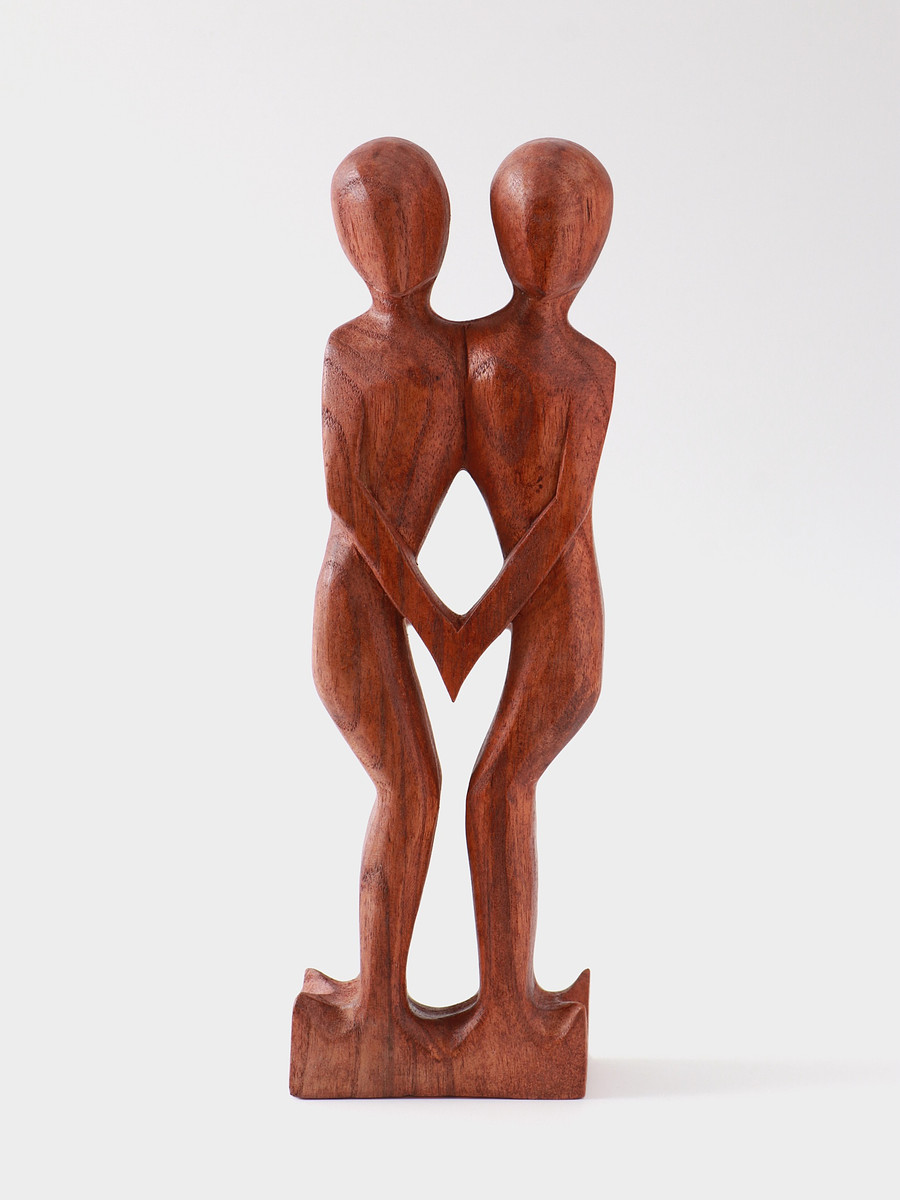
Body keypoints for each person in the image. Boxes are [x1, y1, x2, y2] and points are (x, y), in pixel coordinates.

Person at [309, 137, 466, 1029]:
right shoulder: (350, 349)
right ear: (348, 242)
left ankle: (380, 1001)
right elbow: (348, 499)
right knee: (410, 789)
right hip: (352, 602)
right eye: (372, 231)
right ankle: (376, 1007)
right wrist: (435, 616)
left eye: (412, 227)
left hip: (388, 602)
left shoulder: (455, 353)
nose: (395, 251)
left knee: (416, 788)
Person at [462, 138, 616, 1033]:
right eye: (530, 227)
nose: (550, 250)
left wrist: (469, 623)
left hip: (566, 613)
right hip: (528, 603)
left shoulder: (590, 369)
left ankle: (511, 1013)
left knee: (495, 792)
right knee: (493, 791)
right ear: (502, 233)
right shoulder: (473, 350)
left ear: (595, 242)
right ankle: (506, 1007)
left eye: (567, 230)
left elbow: (561, 519)